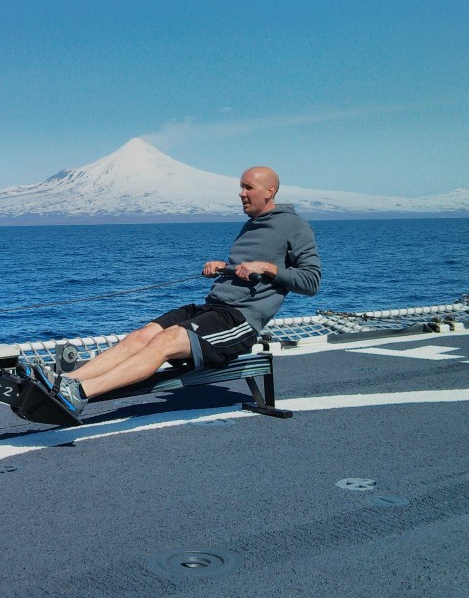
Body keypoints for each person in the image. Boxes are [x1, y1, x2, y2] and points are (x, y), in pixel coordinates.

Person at [30, 166, 321, 418]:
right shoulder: (251, 225)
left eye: (248, 187)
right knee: (144, 334)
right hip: (212, 307)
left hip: (239, 321)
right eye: (240, 187)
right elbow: (247, 270)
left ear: (269, 191)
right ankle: (63, 381)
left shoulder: (294, 226)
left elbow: (310, 281)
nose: (241, 194)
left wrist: (269, 268)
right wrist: (224, 267)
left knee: (165, 342)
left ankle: (79, 393)